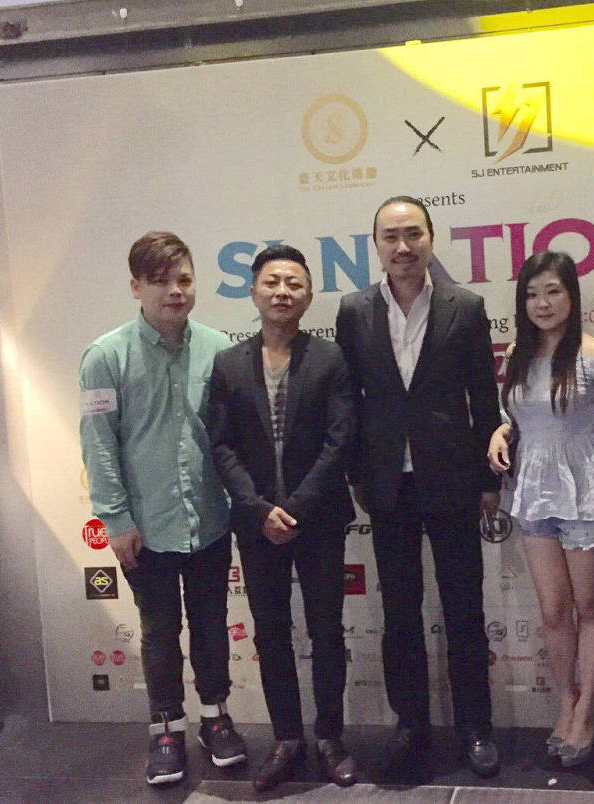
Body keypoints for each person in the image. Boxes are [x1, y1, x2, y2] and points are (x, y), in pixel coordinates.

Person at [335, 195, 502, 782]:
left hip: (453, 478)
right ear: (376, 245)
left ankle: (476, 727)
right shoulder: (354, 310)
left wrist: (488, 480)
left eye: (413, 234)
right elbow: (347, 401)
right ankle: (410, 725)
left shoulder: (466, 306)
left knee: (465, 607)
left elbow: (484, 398)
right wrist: (356, 474)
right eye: (391, 237)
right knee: (400, 612)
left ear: (431, 237)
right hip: (387, 484)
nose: (403, 247)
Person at [79, 231, 246, 785]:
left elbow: (230, 436)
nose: (175, 291)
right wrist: (115, 520)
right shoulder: (105, 357)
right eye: (160, 281)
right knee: (158, 630)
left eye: (184, 279)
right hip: (143, 527)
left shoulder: (219, 348)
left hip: (210, 518)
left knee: (211, 624)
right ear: (136, 287)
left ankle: (215, 718)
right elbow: (98, 444)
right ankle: (166, 728)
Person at [206, 245, 358, 791]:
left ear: (309, 296)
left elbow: (340, 441)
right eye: (271, 282)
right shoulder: (228, 364)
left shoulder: (331, 358)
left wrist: (292, 508)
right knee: (271, 633)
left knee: (326, 631)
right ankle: (287, 738)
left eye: (294, 283)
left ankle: (331, 737)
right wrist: (257, 508)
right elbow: (220, 445)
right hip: (255, 522)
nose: (282, 292)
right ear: (253, 292)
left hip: (317, 517)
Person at [487, 251, 594, 767]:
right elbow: (513, 412)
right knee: (552, 610)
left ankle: (585, 709)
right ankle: (564, 701)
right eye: (531, 294)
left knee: (588, 606)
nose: (542, 303)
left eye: (552, 291)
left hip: (587, 493)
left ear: (572, 296)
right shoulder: (516, 355)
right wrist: (501, 429)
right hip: (533, 490)